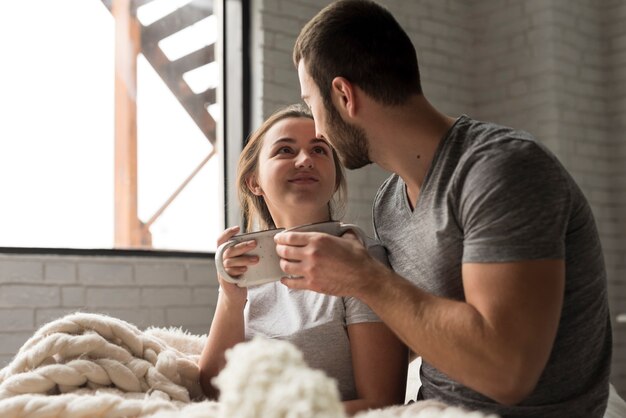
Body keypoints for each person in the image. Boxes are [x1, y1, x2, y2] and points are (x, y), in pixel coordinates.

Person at [275, 1, 613, 417]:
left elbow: (506, 375)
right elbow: (420, 328)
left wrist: (365, 279)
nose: (319, 129)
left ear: (344, 95)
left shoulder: (502, 169)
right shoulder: (390, 204)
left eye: (312, 105)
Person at [198, 104, 407, 415]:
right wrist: (230, 299)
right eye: (285, 149)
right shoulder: (243, 266)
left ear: (335, 178)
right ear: (254, 181)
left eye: (320, 150)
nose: (306, 159)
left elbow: (383, 401)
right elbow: (214, 391)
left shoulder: (361, 257)